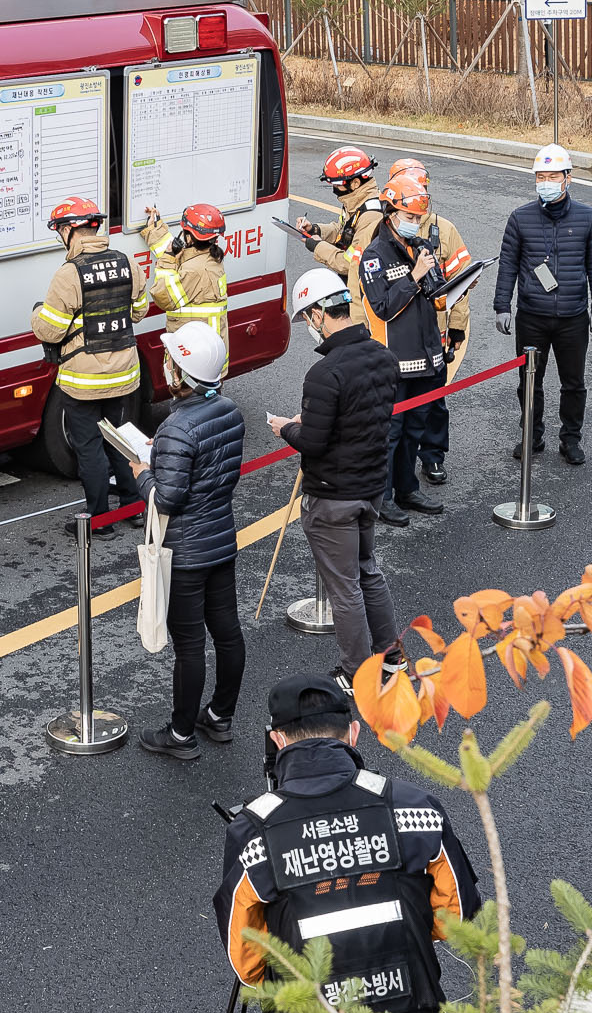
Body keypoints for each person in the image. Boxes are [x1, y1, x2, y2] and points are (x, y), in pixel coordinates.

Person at [215, 674, 484, 1013]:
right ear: (354, 734)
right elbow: (462, 922)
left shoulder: (254, 829)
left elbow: (247, 965)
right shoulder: (411, 806)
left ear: (276, 742)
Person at [266, 269, 404, 689]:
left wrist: (284, 428)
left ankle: (357, 672)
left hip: (332, 496)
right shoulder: (382, 356)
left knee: (345, 589)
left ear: (318, 315)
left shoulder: (324, 374)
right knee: (368, 572)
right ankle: (391, 656)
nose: (309, 325)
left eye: (307, 317)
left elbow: (313, 441)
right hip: (370, 487)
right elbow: (363, 418)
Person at [129, 322, 245, 759]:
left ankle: (180, 735)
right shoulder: (229, 411)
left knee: (190, 645)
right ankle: (219, 716)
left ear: (182, 373)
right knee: (228, 631)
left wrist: (142, 474)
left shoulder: (179, 426)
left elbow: (169, 498)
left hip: (186, 551)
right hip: (220, 539)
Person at [32, 196, 150, 522]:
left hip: (83, 381)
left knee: (89, 447)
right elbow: (139, 311)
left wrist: (37, 315)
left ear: (71, 229)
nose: (60, 237)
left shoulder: (69, 274)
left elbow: (51, 332)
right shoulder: (127, 262)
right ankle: (133, 507)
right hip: (124, 375)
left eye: (60, 230)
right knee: (121, 441)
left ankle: (98, 518)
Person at [492, 143, 592, 466]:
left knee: (574, 384)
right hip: (532, 316)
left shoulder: (588, 219)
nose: (546, 182)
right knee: (530, 381)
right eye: (540, 176)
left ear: (568, 178)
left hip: (573, 317)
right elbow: (508, 265)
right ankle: (532, 434)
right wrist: (502, 305)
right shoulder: (520, 218)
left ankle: (571, 439)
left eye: (552, 176)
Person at [357, 166, 448, 526]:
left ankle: (408, 488)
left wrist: (453, 287)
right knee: (391, 433)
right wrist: (414, 277)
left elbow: (437, 293)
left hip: (428, 358)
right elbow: (383, 307)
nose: (416, 222)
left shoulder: (423, 247)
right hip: (395, 360)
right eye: (409, 216)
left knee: (416, 428)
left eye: (418, 217)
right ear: (391, 213)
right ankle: (384, 496)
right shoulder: (374, 257)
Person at [390, 157, 475, 486]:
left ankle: (433, 456)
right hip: (396, 335)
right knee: (397, 404)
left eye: (421, 192)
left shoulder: (444, 231)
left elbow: (462, 285)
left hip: (434, 336)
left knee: (433, 400)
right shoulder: (384, 234)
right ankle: (399, 466)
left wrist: (456, 328)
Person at [138, 201, 229, 341]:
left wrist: (168, 258)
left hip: (193, 351)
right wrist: (154, 227)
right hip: (204, 348)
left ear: (189, 237)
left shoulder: (194, 270)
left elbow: (163, 297)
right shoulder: (209, 257)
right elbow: (182, 257)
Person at [297, 146, 383, 289]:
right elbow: (344, 230)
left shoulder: (371, 216)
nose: (334, 189)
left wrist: (319, 247)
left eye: (337, 184)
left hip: (364, 290)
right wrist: (315, 230)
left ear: (355, 183)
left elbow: (351, 264)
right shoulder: (355, 201)